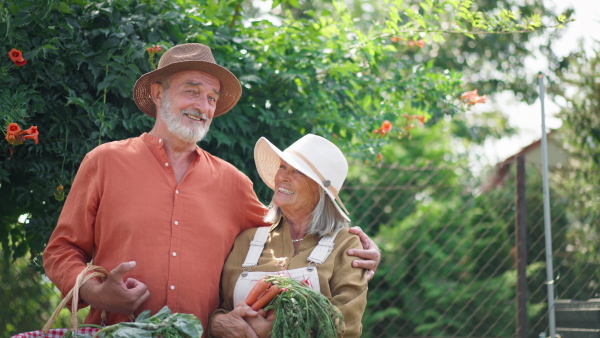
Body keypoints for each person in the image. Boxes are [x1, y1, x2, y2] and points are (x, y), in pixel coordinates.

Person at [42, 43, 380, 330]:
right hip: (114, 331)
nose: (203, 107)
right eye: (192, 91)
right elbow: (61, 251)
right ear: (158, 94)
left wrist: (354, 251)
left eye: (212, 98)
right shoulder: (105, 162)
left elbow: (289, 233)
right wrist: (96, 292)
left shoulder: (233, 183)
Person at [209, 134, 368, 337]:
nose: (283, 176)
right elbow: (222, 307)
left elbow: (347, 324)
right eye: (283, 167)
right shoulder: (248, 240)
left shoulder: (346, 245)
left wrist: (274, 331)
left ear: (320, 190)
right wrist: (219, 322)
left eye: (298, 172)